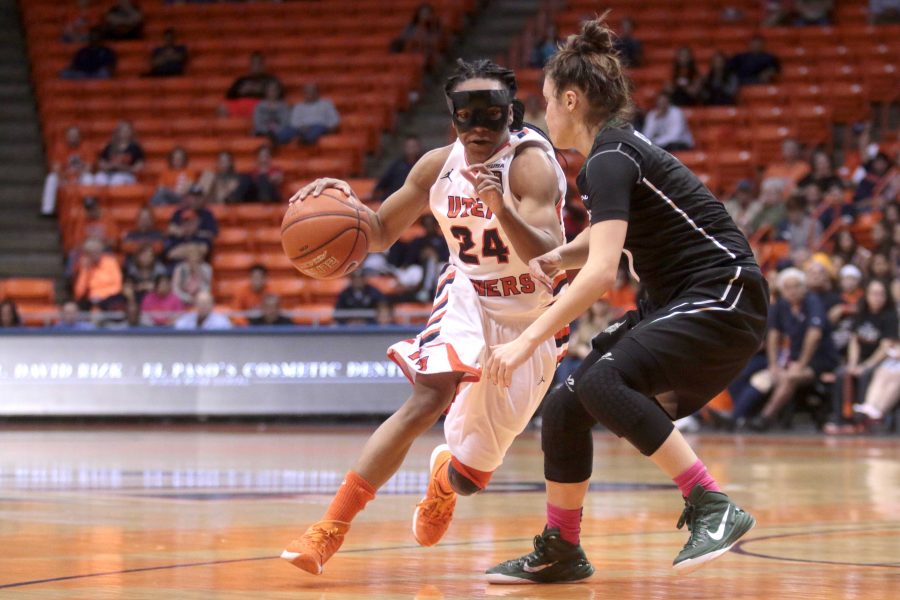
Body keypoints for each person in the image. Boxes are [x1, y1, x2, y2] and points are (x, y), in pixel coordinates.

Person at [483, 16, 768, 583]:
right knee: (567, 405)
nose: (543, 114)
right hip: (681, 300)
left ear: (571, 98)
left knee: (599, 381)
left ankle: (712, 504)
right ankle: (562, 547)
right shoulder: (614, 155)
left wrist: (526, 341)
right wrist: (555, 258)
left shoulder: (609, 157)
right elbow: (605, 238)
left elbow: (600, 275)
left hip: (722, 292)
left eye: (546, 102)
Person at [280, 58, 569, 577]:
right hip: (469, 294)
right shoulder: (437, 166)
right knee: (428, 395)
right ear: (452, 118)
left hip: (532, 314)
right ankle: (327, 530)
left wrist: (500, 208)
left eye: (492, 116)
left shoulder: (530, 165)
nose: (479, 128)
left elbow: (549, 253)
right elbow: (379, 231)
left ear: (513, 114)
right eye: (466, 116)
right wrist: (332, 196)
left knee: (470, 476)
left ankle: (444, 482)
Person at [746, 267, 839, 431]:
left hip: (820, 359)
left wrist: (802, 363)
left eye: (797, 286)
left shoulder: (812, 301)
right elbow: (773, 335)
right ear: (782, 290)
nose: (793, 291)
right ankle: (738, 417)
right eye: (788, 287)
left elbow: (814, 335)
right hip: (794, 360)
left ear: (804, 287)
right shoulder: (781, 305)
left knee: (789, 377)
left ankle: (764, 418)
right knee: (766, 375)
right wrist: (773, 364)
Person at [826, 279, 897, 432]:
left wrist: (866, 365)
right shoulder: (861, 313)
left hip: (880, 360)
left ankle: (862, 421)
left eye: (881, 294)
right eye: (874, 294)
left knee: (866, 374)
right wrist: (853, 363)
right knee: (842, 374)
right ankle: (841, 420)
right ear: (867, 295)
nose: (877, 298)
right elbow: (854, 341)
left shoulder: (890, 316)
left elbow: (886, 347)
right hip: (860, 359)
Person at [224, 53, 283, 118]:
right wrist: (241, 91)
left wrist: (261, 91)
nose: (256, 66)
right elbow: (229, 96)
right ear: (250, 65)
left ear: (263, 65)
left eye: (258, 64)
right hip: (242, 105)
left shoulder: (270, 80)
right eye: (254, 64)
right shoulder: (242, 80)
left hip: (261, 105)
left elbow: (280, 95)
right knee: (223, 108)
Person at [73, 238, 124, 310]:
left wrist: (102, 295)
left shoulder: (111, 262)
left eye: (97, 251)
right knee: (81, 305)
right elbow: (79, 293)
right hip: (92, 299)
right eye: (91, 252)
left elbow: (118, 285)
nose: (95, 254)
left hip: (110, 297)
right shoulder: (84, 267)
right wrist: (85, 270)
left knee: (115, 302)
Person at [373, 136, 424, 202]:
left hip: (414, 201)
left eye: (413, 146)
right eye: (408, 146)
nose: (411, 149)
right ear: (404, 147)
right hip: (393, 199)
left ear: (419, 148)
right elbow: (383, 181)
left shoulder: (423, 164)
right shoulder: (397, 164)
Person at [95, 121, 145, 186]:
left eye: (127, 130)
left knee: (117, 179)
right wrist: (111, 166)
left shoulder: (136, 148)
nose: (124, 132)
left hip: (127, 175)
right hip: (109, 173)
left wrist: (122, 167)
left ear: (131, 132)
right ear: (117, 132)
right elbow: (101, 163)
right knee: (99, 177)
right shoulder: (110, 146)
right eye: (122, 130)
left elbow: (137, 168)